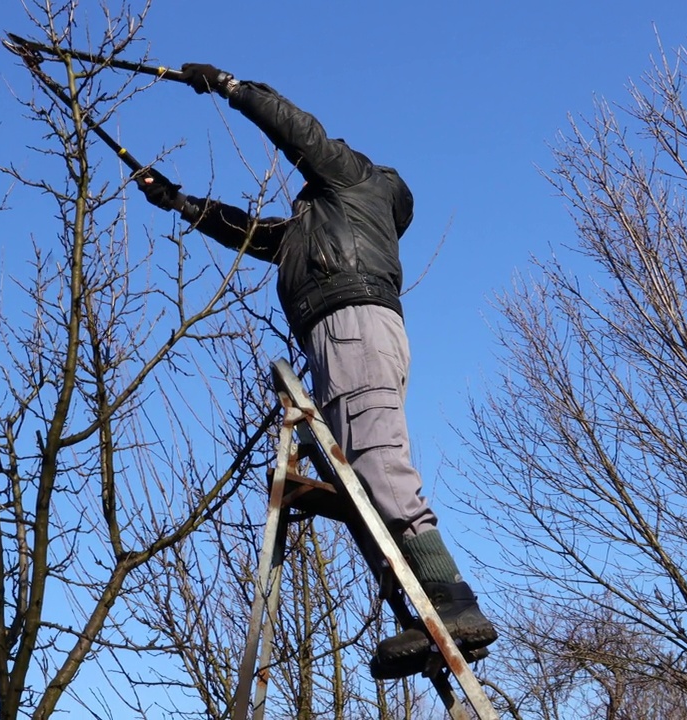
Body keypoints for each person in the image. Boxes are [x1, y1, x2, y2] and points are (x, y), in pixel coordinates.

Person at [134, 63, 497, 674]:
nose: (320, 167)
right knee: (361, 483)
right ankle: (424, 618)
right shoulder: (314, 225)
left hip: (353, 325)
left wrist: (229, 87)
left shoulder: (358, 183)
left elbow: (299, 133)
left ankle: (453, 604)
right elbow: (251, 232)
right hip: (338, 335)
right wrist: (178, 201)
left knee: (379, 460)